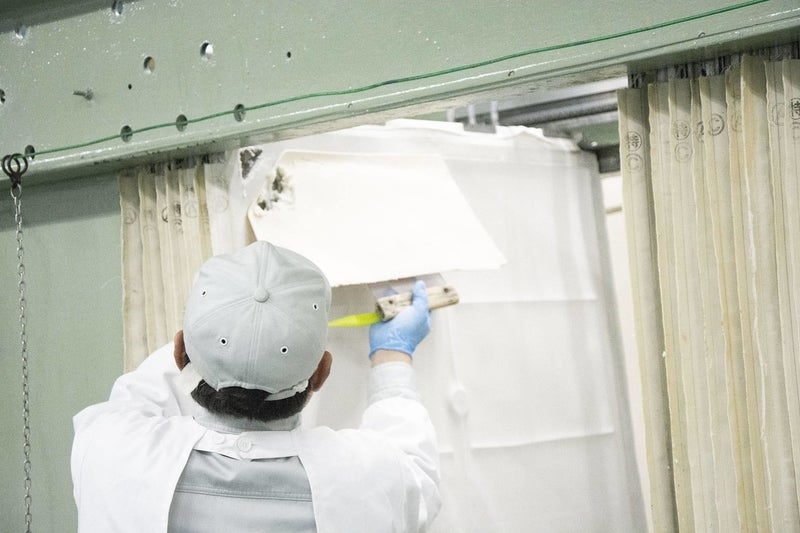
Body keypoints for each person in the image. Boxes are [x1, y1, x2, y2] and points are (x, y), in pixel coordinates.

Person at [71, 241, 441, 532]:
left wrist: (221, 330)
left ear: (180, 351)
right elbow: (415, 470)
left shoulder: (107, 451)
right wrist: (394, 351)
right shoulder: (366, 481)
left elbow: (143, 392)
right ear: (323, 372)